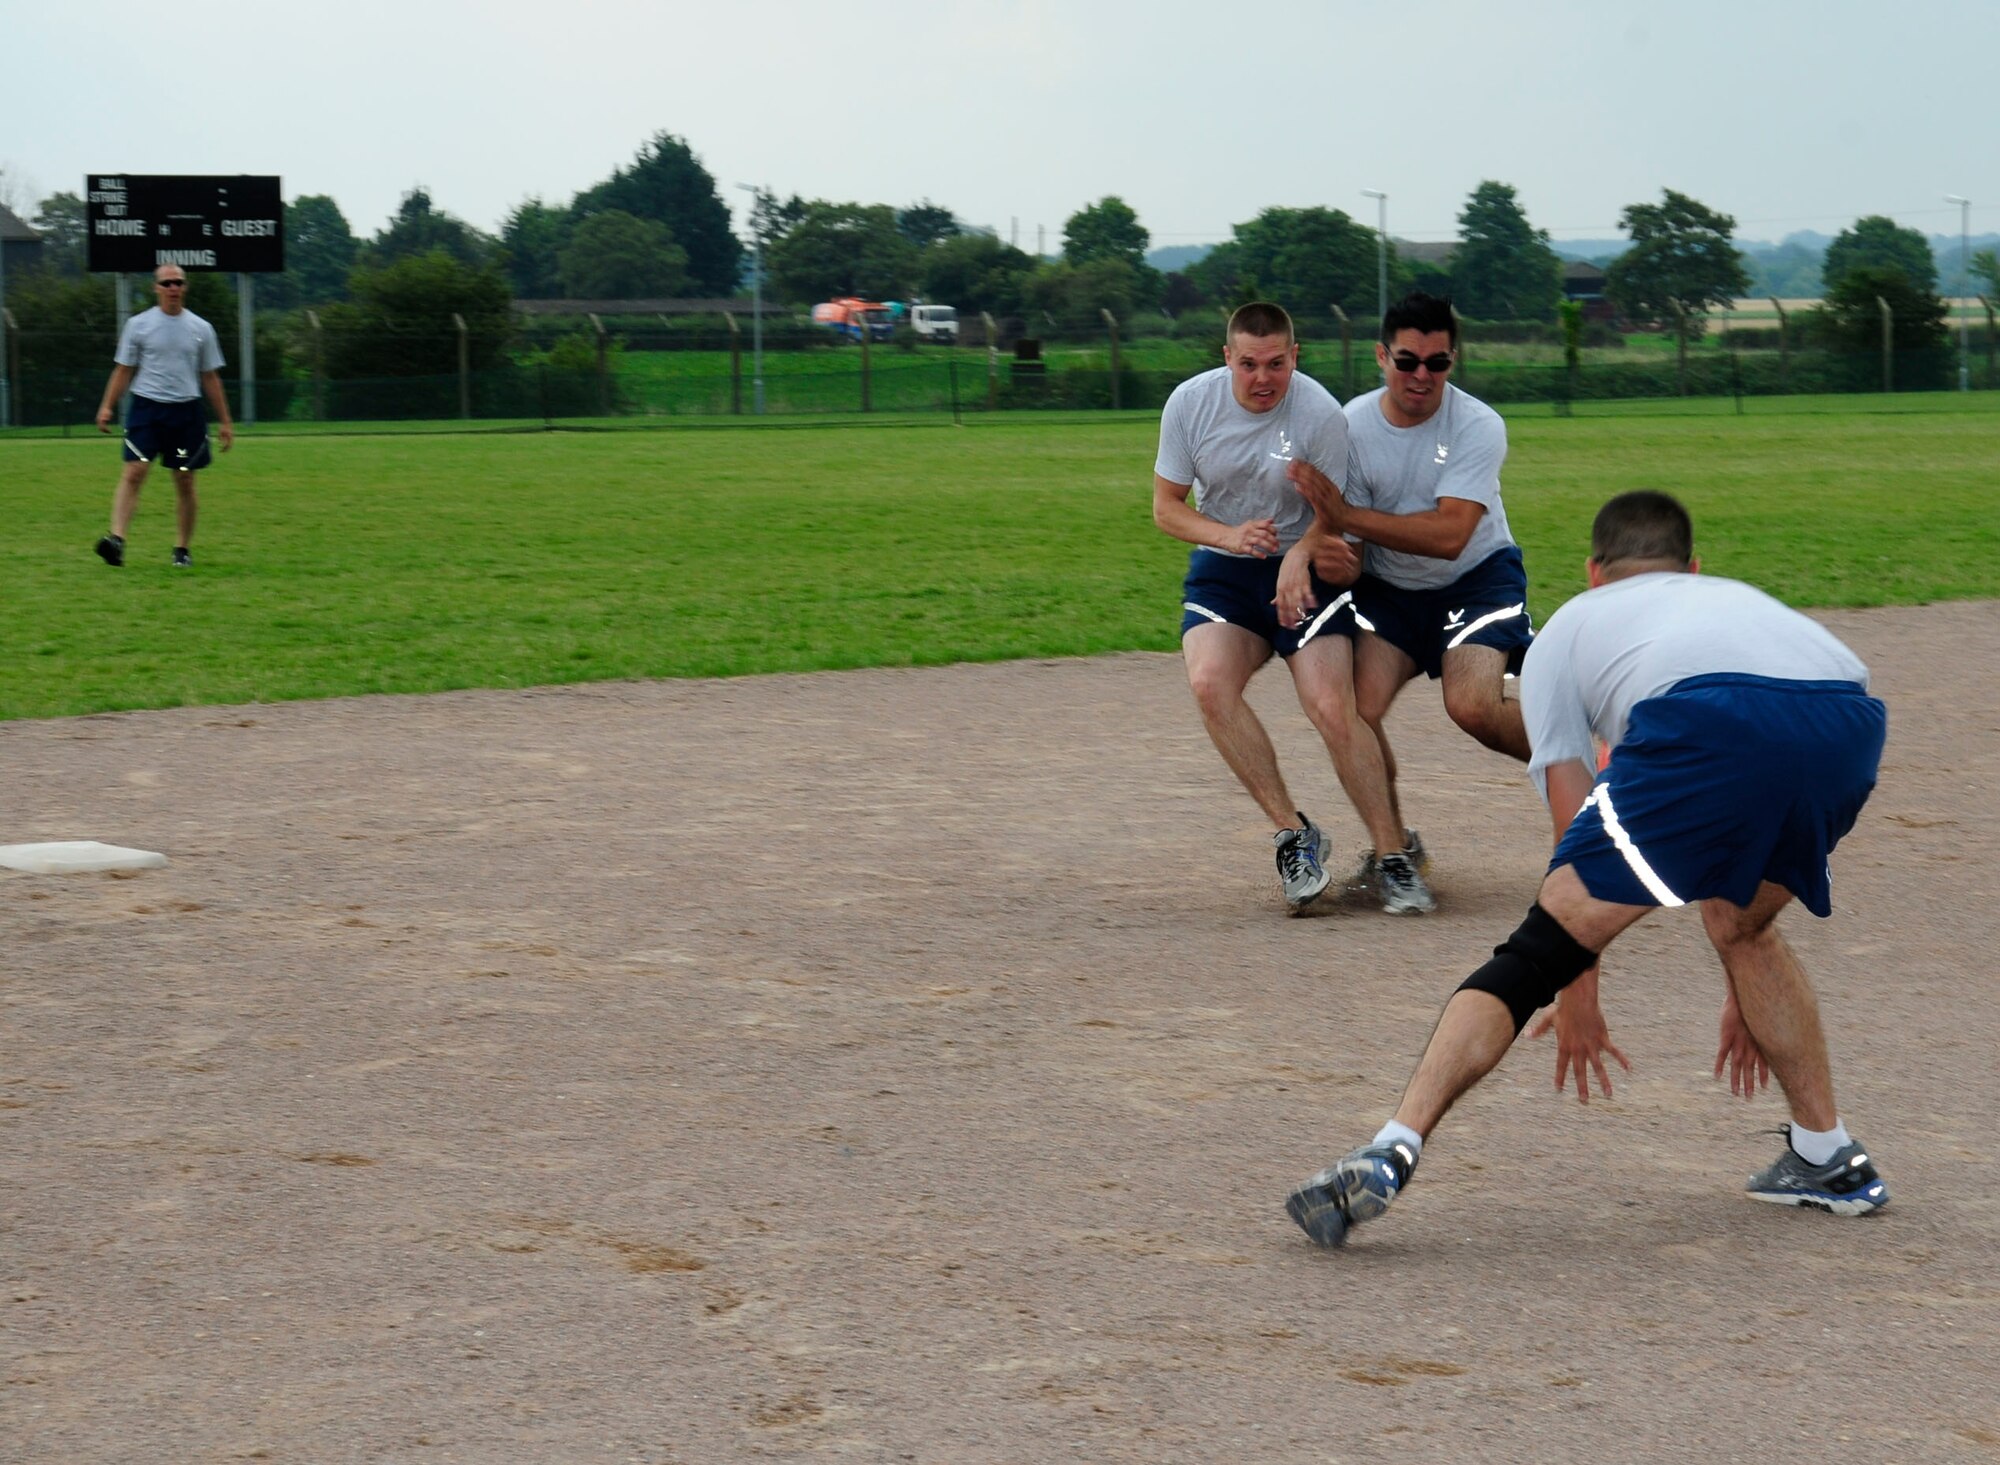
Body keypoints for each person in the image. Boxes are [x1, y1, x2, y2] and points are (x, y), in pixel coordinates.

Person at [1286, 490, 1891, 1248]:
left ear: (1594, 572)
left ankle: (1390, 1147)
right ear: (1692, 566)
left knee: (1533, 952)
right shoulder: (1738, 599)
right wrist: (1743, 963)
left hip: (1710, 716)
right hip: (1847, 722)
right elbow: (1762, 741)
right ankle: (1830, 1157)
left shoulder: (1572, 624)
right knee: (1744, 924)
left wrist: (1574, 984)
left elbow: (1575, 830)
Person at [1152, 300, 1430, 916]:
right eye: (1248, 364)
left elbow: (1337, 518)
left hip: (1307, 569)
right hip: (1226, 569)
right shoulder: (1190, 405)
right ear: (1227, 358)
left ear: (1294, 357)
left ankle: (1392, 857)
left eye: (1275, 363)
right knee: (1208, 684)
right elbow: (1166, 507)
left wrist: (1299, 555)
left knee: (1333, 705)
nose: (1262, 378)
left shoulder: (1321, 415)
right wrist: (1228, 537)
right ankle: (1293, 835)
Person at [1286, 292, 1534, 887]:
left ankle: (1599, 763)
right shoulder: (1349, 426)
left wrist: (1346, 514)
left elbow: (1450, 535)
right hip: (1393, 592)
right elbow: (1352, 556)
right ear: (1381, 356)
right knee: (1354, 715)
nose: (1422, 375)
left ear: (1454, 360)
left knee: (1471, 704)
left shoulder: (1476, 424)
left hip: (1476, 578)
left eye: (1438, 362)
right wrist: (1332, 555)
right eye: (1407, 360)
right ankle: (1394, 852)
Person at [93, 264, 234, 569]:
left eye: (178, 283)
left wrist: (225, 421)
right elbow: (124, 369)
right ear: (156, 288)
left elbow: (210, 377)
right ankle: (116, 539)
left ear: (185, 287)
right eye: (167, 283)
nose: (172, 288)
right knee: (134, 471)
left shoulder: (201, 329)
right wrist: (107, 406)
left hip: (185, 412)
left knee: (184, 479)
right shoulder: (139, 325)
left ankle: (182, 548)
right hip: (147, 409)